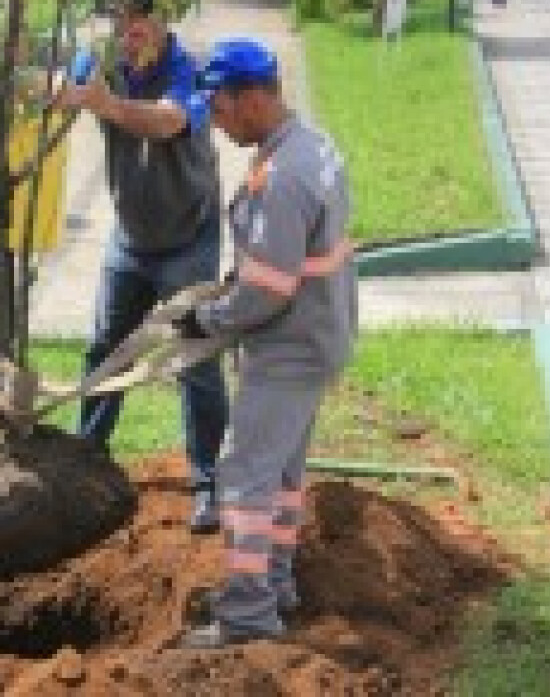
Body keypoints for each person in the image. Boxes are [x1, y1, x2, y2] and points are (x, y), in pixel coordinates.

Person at [171, 38, 357, 648]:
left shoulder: (283, 177)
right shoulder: (311, 145)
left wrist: (209, 320)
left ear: (251, 99)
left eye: (220, 110)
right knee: (281, 473)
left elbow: (268, 293)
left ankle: (248, 617)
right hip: (317, 335)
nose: (217, 125)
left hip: (289, 345)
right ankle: (276, 585)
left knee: (245, 478)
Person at [59, 0, 228, 531]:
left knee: (194, 360)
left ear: (162, 23)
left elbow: (168, 121)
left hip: (187, 240)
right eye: (120, 26)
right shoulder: (103, 60)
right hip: (131, 237)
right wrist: (49, 88)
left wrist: (105, 103)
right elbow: (61, 86)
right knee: (106, 349)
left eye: (137, 27)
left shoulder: (189, 71)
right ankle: (87, 457)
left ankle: (209, 482)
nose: (127, 39)